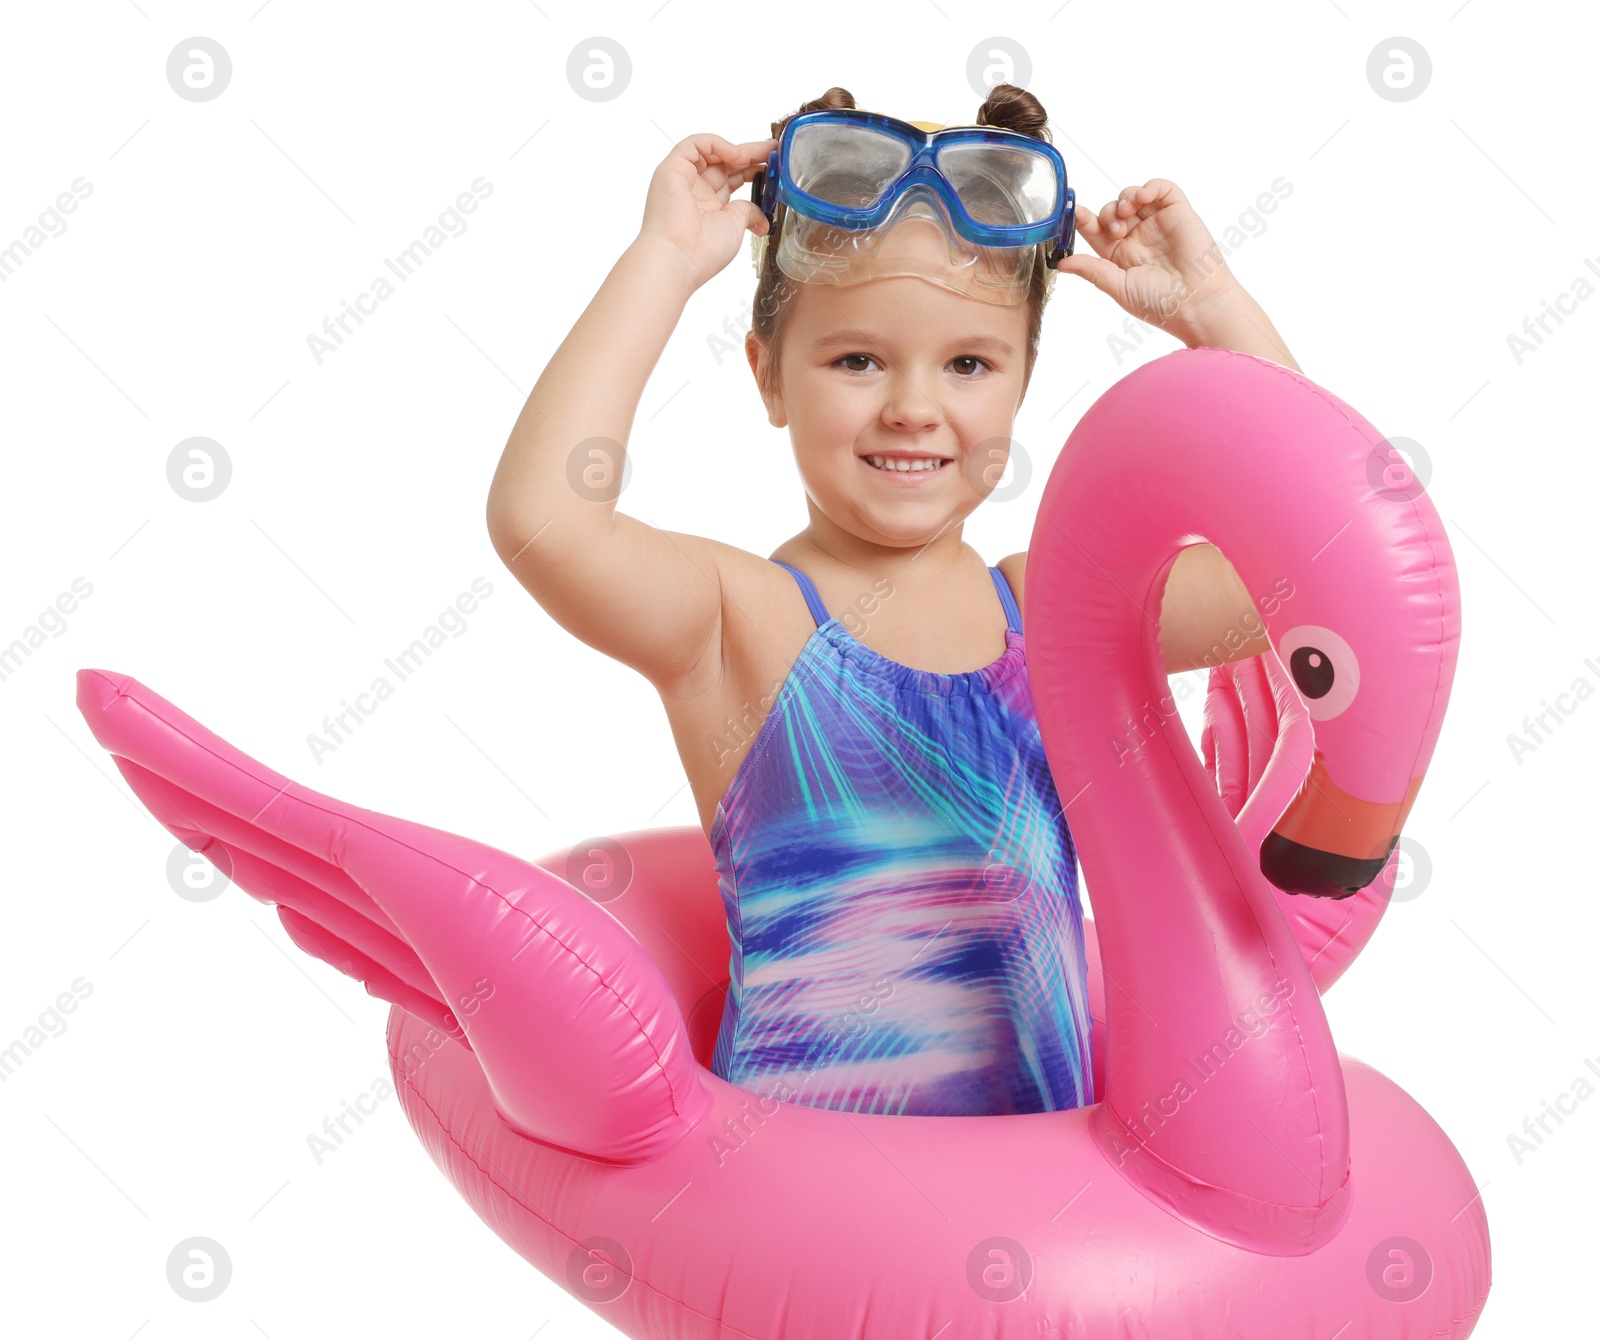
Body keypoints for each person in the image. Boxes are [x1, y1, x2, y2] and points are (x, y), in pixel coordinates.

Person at [485, 83, 1300, 1117]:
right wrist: (662, 264)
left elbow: (1290, 570)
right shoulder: (742, 619)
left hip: (1037, 1196)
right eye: (856, 359)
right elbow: (543, 521)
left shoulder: (1048, 616)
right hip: (806, 1213)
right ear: (769, 377)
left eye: (967, 363)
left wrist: (1212, 313)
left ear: (1019, 383)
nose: (913, 406)